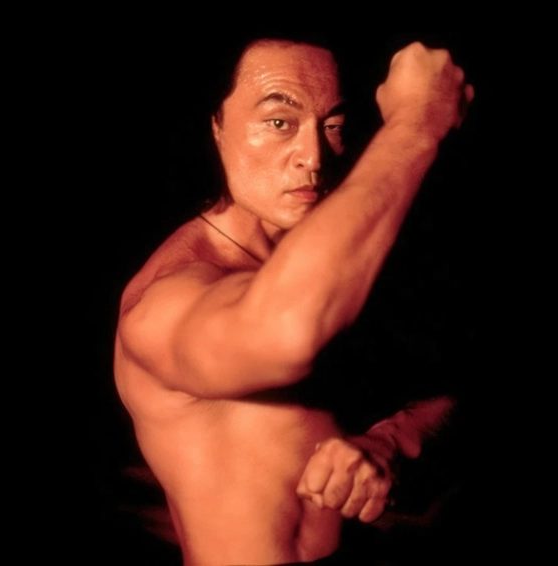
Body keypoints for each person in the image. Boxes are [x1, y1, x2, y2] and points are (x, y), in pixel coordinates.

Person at [114, 35, 473, 565]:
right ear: (216, 125)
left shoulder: (341, 257)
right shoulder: (166, 298)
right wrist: (417, 123)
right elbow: (286, 334)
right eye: (279, 121)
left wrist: (390, 444)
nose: (313, 157)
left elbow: (452, 391)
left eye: (332, 126)